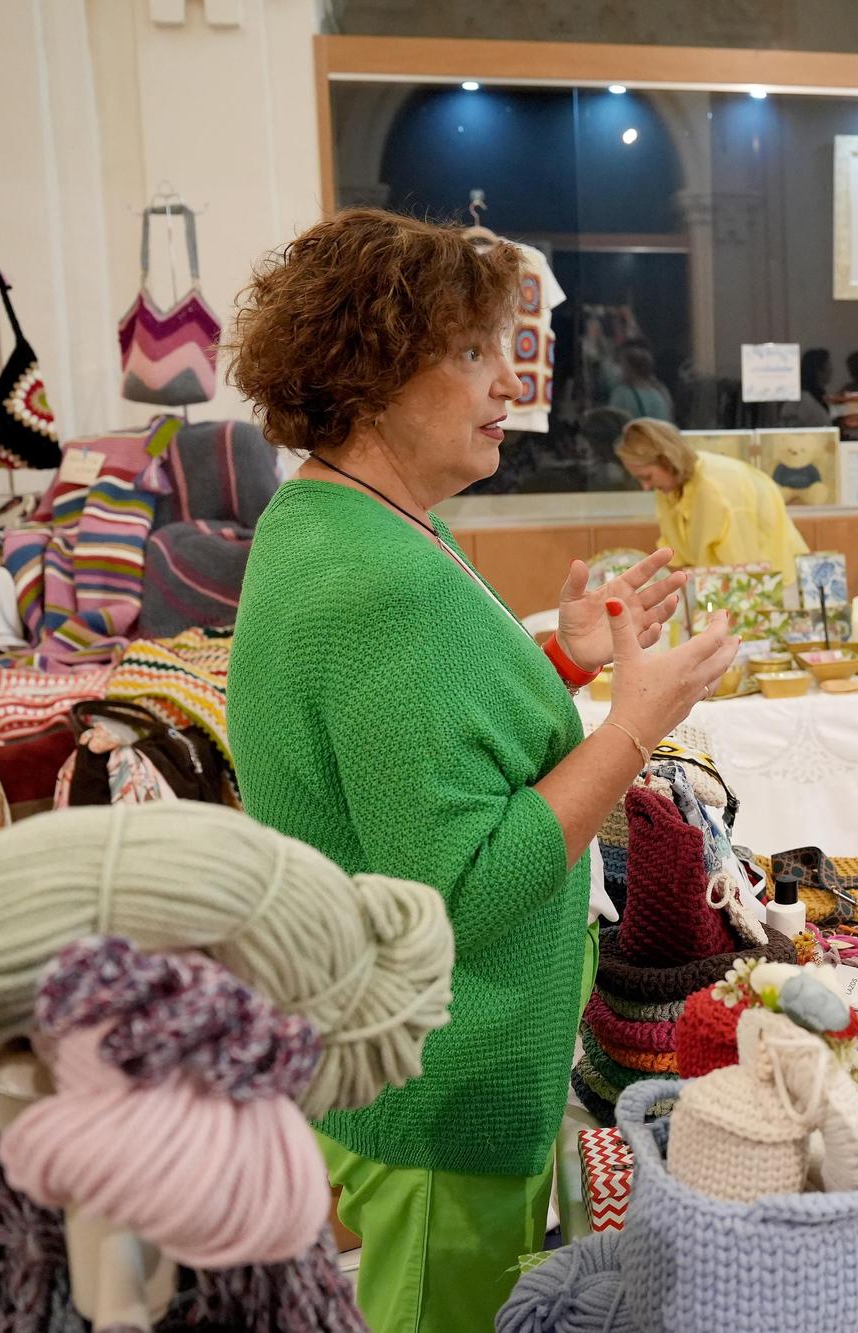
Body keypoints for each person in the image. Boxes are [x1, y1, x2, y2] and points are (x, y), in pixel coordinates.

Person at [224, 208, 739, 1333]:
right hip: (442, 1089)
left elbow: (410, 749)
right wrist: (632, 728)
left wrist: (556, 657)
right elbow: (461, 886)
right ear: (369, 371)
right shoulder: (384, 579)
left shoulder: (342, 519)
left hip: (383, 1054)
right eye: (470, 352)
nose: (509, 382)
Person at [616, 417, 808, 579]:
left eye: (647, 477)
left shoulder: (717, 489)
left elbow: (743, 574)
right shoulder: (671, 486)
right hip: (724, 585)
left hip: (774, 585)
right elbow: (676, 552)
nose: (646, 487)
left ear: (667, 461)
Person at [607, 343, 673, 422]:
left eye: (622, 365)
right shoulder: (660, 394)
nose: (619, 370)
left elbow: (613, 424)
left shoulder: (621, 394)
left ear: (630, 368)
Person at [784, 348, 833, 428]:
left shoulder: (820, 397)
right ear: (819, 370)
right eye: (828, 365)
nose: (831, 370)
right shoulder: (803, 400)